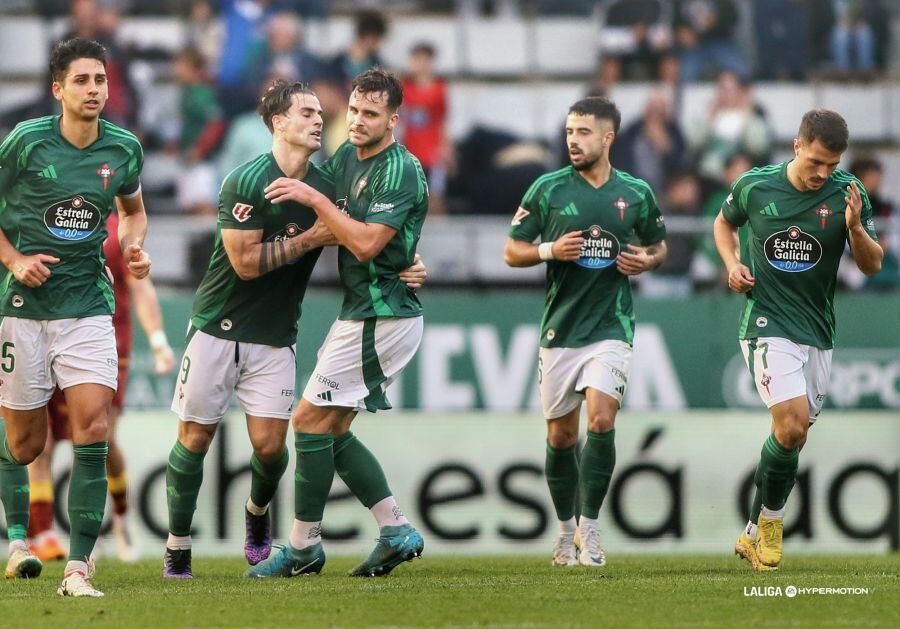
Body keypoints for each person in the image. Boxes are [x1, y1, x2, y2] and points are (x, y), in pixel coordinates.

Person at [162, 78, 426, 579]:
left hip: (286, 332)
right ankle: (178, 545)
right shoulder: (246, 180)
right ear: (277, 122)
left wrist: (411, 262)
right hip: (217, 325)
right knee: (198, 439)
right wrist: (312, 236)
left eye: (319, 113)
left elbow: (370, 234)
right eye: (309, 112)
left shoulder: (330, 182)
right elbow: (243, 264)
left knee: (275, 444)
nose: (322, 120)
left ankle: (268, 519)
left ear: (392, 119)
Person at [248, 67, 428, 579]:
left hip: (383, 313)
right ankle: (394, 530)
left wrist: (316, 200)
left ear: (393, 119)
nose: (356, 120)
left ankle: (304, 547)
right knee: (331, 429)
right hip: (363, 310)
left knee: (306, 421)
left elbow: (370, 242)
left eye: (371, 114)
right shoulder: (346, 157)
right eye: (352, 109)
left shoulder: (401, 170)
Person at [0, 38, 151, 597]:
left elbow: (133, 213)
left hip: (88, 307)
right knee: (24, 445)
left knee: (93, 427)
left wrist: (134, 246)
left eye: (101, 80)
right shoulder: (24, 143)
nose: (94, 90)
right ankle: (20, 537)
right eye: (82, 81)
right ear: (57, 89)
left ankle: (78, 568)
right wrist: (14, 260)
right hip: (23, 311)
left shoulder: (124, 149)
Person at [713, 109, 882, 572]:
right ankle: (771, 530)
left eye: (832, 164)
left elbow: (872, 265)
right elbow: (723, 223)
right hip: (766, 322)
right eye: (816, 162)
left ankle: (750, 532)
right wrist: (730, 264)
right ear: (797, 146)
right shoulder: (755, 185)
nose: (822, 173)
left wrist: (854, 228)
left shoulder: (849, 192)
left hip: (818, 331)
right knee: (790, 425)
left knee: (793, 436)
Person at [503, 96, 668, 568]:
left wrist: (647, 261)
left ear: (608, 138)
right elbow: (512, 251)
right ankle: (562, 532)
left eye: (583, 132)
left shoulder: (635, 192)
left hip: (611, 324)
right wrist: (550, 250)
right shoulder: (547, 189)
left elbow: (659, 246)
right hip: (561, 328)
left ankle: (590, 530)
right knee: (560, 437)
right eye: (570, 132)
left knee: (601, 420)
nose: (573, 140)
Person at [25, 213, 176, 564]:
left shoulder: (116, 227)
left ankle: (121, 517)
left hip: (105, 343)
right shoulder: (45, 212)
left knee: (100, 440)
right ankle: (44, 533)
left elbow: (140, 285)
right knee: (41, 441)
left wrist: (157, 340)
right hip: (46, 339)